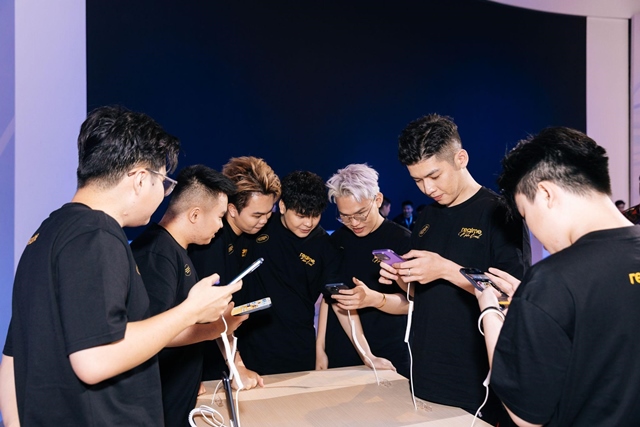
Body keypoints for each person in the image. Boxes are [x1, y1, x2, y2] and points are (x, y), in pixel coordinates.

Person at [0, 106, 240, 426]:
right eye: (163, 182)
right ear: (140, 179)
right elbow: (94, 359)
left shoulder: (46, 233)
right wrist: (191, 310)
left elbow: (12, 358)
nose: (163, 195)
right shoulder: (98, 234)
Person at [476, 127, 640, 426]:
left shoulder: (552, 280)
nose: (534, 230)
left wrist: (489, 310)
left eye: (526, 214)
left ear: (546, 193)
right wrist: (533, 306)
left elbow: (526, 416)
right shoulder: (551, 289)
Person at [379, 113, 530, 425]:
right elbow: (418, 296)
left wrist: (447, 270)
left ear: (461, 158)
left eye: (434, 176)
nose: (427, 188)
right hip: (424, 370)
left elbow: (510, 296)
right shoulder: (426, 217)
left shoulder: (499, 213)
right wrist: (403, 277)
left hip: (476, 378)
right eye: (417, 180)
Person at [131, 165, 255, 427]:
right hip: (159, 408)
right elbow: (155, 333)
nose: (220, 226)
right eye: (219, 217)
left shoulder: (175, 250)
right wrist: (218, 327)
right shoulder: (157, 253)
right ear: (195, 214)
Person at [237, 171, 393, 375]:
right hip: (248, 345)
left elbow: (340, 299)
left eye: (315, 215)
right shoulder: (258, 227)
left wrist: (367, 355)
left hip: (298, 348)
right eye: (301, 216)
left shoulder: (324, 246)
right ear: (282, 206)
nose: (308, 223)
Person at [188, 156, 280, 383]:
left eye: (269, 212)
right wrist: (236, 365)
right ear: (231, 209)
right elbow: (213, 314)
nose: (265, 220)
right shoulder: (211, 242)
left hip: (233, 344)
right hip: (200, 357)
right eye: (257, 215)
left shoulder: (251, 234)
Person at [317, 163, 411, 377]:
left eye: (361, 213)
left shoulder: (402, 240)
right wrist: (320, 347)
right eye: (345, 216)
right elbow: (331, 299)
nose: (354, 223)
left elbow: (412, 304)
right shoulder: (336, 242)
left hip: (389, 350)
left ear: (377, 200)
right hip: (344, 348)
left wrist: (374, 299)